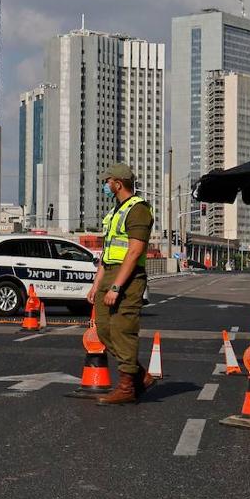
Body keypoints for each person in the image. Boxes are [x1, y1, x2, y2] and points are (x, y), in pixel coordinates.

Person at [85, 163, 154, 405]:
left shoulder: (138, 210)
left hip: (129, 277)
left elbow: (134, 251)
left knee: (123, 329)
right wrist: (97, 284)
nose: (105, 185)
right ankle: (140, 375)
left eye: (108, 181)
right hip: (109, 273)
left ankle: (127, 387)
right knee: (104, 329)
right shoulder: (116, 211)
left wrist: (116, 287)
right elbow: (107, 253)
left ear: (118, 183)